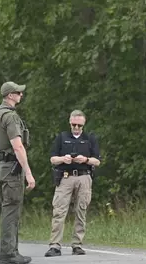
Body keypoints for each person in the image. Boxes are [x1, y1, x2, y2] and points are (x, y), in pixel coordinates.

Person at [0, 81, 36, 264]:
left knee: (8, 210)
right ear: (10, 95)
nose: (21, 95)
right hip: (12, 169)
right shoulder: (10, 116)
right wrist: (29, 173)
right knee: (11, 211)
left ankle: (12, 252)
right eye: (18, 92)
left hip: (1, 167)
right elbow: (18, 146)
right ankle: (9, 255)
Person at [44, 110, 101, 257]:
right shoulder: (62, 137)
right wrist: (64, 159)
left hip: (84, 176)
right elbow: (52, 159)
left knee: (81, 210)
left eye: (79, 125)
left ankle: (77, 244)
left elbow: (97, 160)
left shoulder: (90, 138)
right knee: (59, 210)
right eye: (74, 124)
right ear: (70, 123)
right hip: (65, 177)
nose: (76, 128)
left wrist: (86, 160)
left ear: (83, 125)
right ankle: (55, 245)